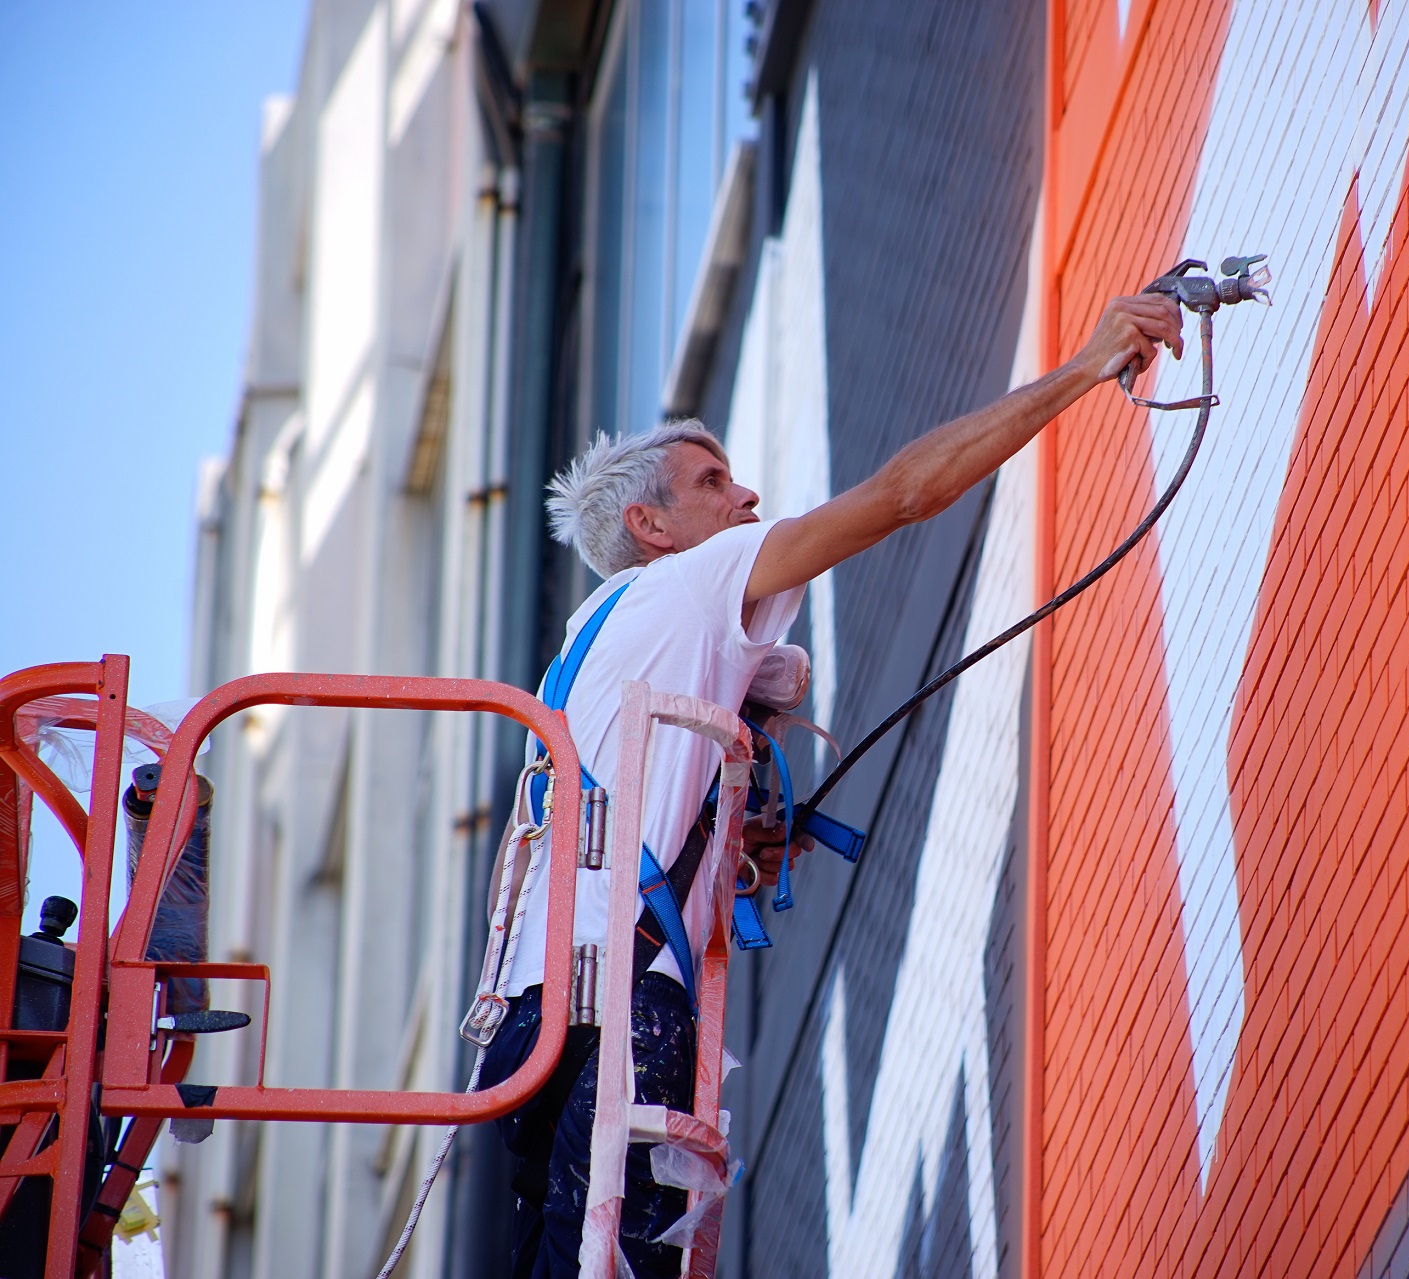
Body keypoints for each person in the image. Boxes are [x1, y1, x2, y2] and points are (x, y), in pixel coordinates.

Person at [476, 290, 1183, 1276]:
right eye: (713, 481)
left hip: (533, 1028)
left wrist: (742, 819)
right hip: (621, 1015)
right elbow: (903, 494)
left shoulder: (585, 651)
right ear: (653, 523)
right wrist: (1084, 366)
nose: (747, 499)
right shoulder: (692, 579)